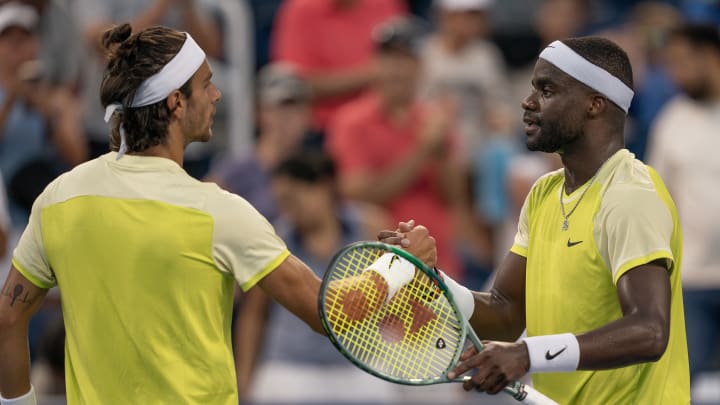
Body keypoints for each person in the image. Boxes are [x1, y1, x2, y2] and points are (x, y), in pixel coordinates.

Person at [0, 24, 436, 404]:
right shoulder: (217, 211)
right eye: (206, 83)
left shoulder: (59, 197)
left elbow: (8, 316)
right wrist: (400, 265)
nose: (216, 93)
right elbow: (330, 313)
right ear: (175, 103)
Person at [382, 36, 689, 404]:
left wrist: (529, 354)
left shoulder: (629, 196)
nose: (527, 103)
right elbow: (507, 313)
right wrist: (432, 282)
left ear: (594, 105)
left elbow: (650, 331)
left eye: (547, 90)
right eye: (533, 88)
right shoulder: (544, 193)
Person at [328, 17, 479, 280]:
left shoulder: (434, 118)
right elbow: (356, 195)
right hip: (380, 268)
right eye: (389, 59)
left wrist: (441, 151)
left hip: (440, 264)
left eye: (406, 59)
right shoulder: (351, 121)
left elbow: (453, 196)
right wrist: (423, 150)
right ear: (375, 64)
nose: (397, 69)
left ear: (419, 66)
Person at [647, 23, 720, 386]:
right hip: (693, 281)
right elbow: (658, 207)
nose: (676, 74)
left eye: (683, 62)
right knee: (679, 385)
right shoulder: (670, 123)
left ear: (710, 57)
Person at [272, 0, 405, 132]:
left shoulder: (386, 4)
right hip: (321, 131)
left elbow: (406, 64)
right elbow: (295, 84)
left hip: (382, 126)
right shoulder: (301, 10)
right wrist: (370, 74)